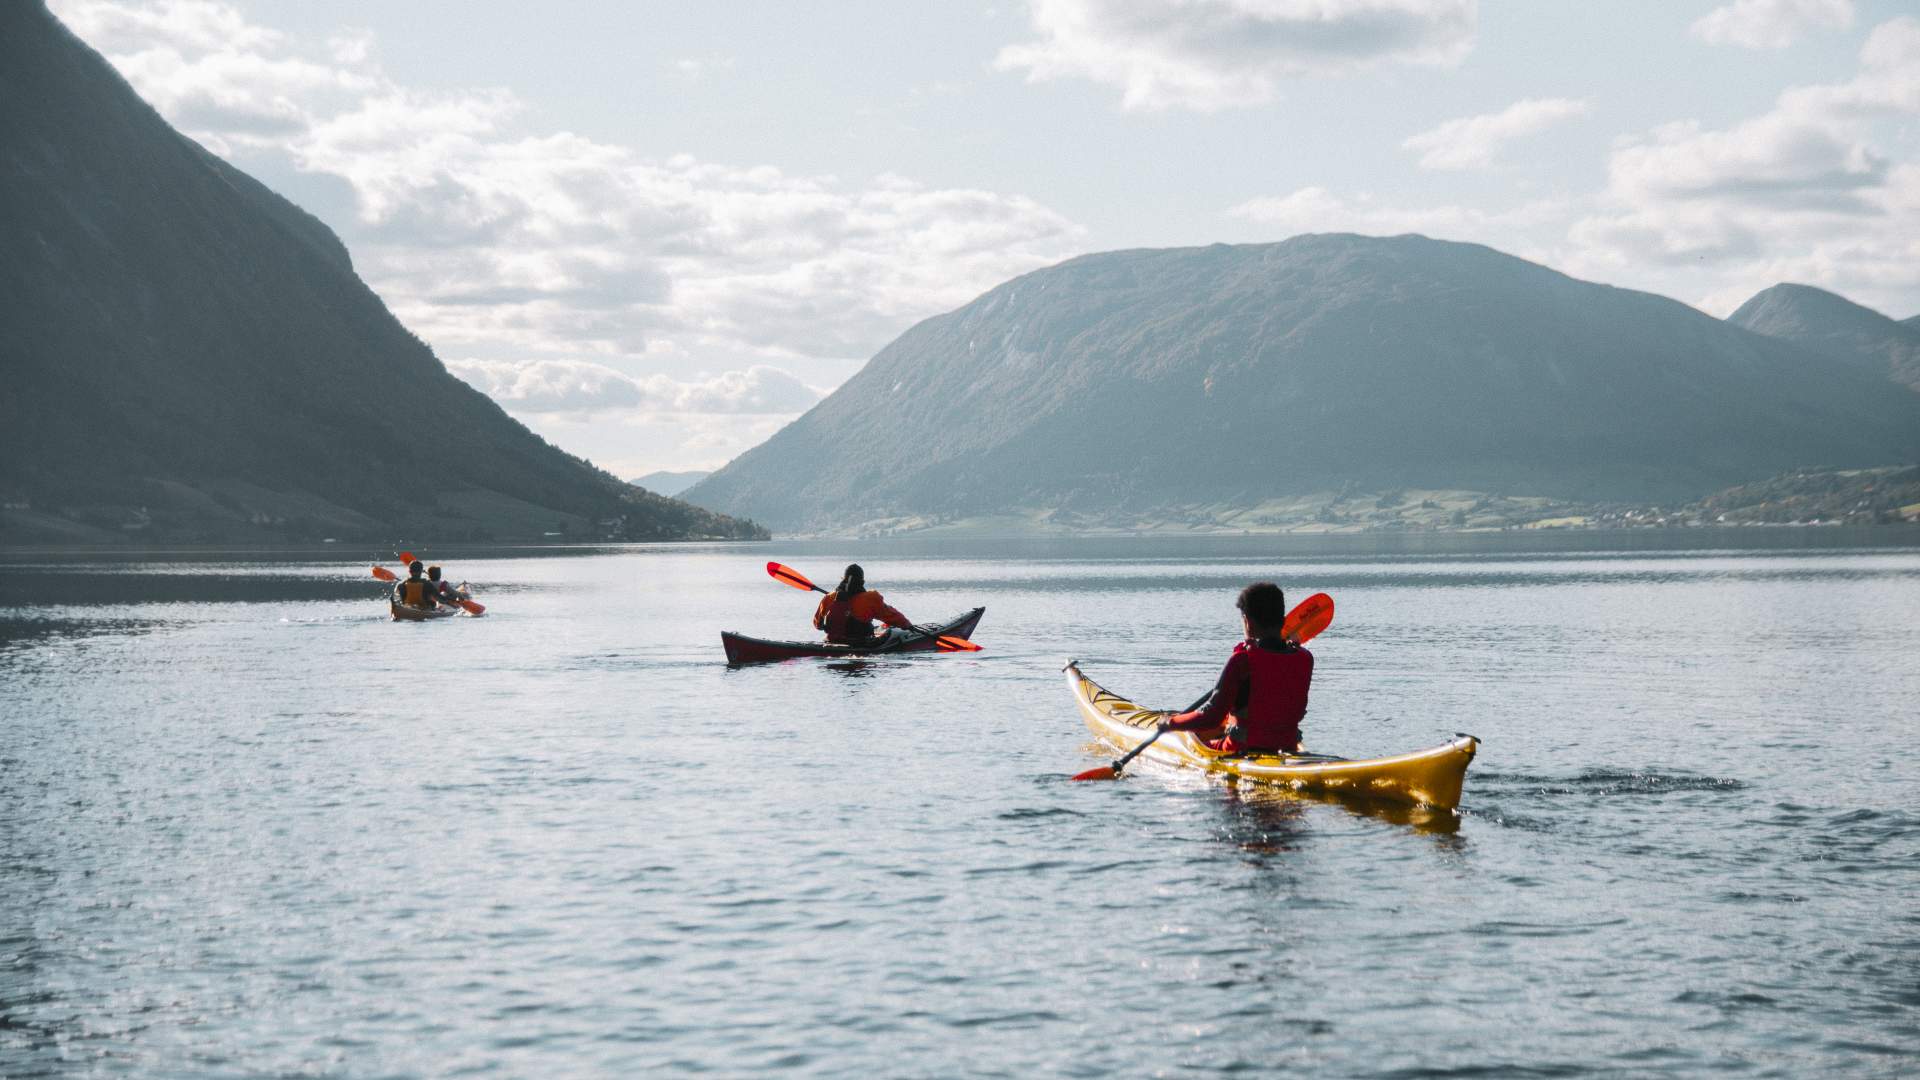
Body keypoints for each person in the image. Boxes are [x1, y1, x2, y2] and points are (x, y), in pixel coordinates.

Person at [1159, 582, 1312, 754]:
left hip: (1241, 750)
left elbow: (1211, 718)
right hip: (1287, 748)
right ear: (1283, 621)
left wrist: (1170, 723)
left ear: (1247, 622)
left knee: (1198, 742)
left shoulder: (1242, 661)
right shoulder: (1304, 658)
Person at [813, 564, 913, 644]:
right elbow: (891, 616)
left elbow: (818, 625)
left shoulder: (829, 597)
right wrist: (907, 625)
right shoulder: (871, 598)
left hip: (832, 642)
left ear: (843, 579)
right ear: (862, 581)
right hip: (860, 643)